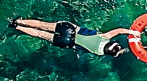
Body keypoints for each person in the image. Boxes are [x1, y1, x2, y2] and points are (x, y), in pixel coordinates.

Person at [10, 18, 138, 58]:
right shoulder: (99, 53)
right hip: (67, 42)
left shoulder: (104, 37)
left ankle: (17, 21)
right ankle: (16, 27)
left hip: (70, 30)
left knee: (43, 25)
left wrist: (132, 32)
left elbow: (119, 30)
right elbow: (113, 52)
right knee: (40, 34)